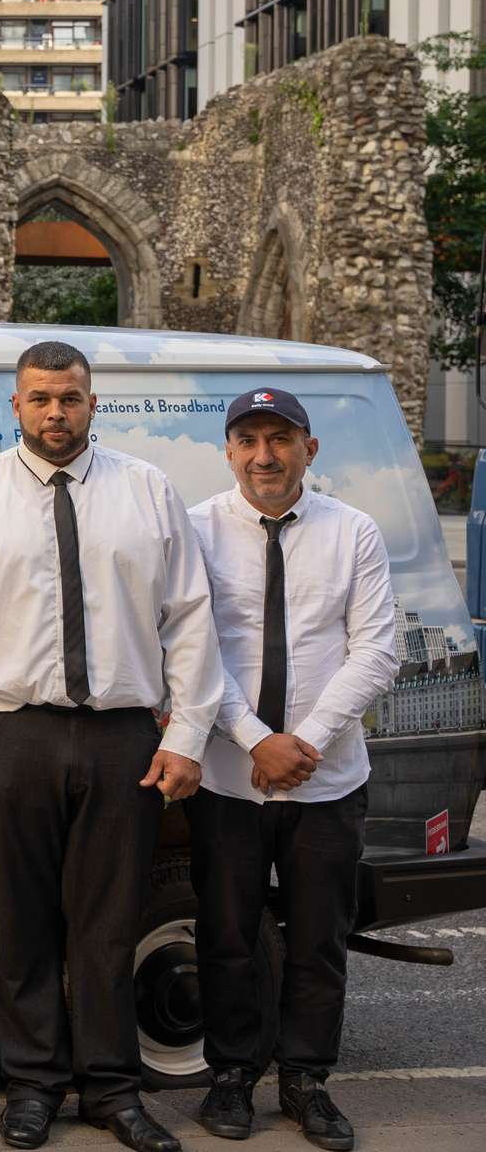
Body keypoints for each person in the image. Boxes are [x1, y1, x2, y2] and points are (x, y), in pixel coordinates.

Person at [0, 339, 223, 1152]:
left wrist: (185, 733)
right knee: (26, 922)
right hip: (13, 734)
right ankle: (34, 1084)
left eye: (70, 397)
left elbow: (188, 618)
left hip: (124, 736)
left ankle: (113, 1091)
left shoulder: (147, 491)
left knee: (108, 923)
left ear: (92, 402)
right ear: (14, 405)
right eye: (40, 397)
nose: (56, 411)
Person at [184, 388, 398, 1151]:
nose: (264, 454)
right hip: (227, 778)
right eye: (248, 438)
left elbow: (377, 647)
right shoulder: (195, 530)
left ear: (310, 449)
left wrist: (301, 739)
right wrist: (251, 738)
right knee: (226, 933)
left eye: (280, 438)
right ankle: (231, 1075)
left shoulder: (353, 532)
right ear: (229, 449)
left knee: (317, 937)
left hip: (326, 777)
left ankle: (305, 1080)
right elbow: (189, 648)